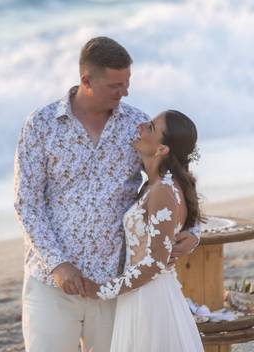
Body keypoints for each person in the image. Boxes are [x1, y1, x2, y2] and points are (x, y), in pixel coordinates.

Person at [14, 37, 200, 352]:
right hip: (51, 282)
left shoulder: (135, 126)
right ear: (87, 80)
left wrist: (194, 231)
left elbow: (174, 182)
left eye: (127, 82)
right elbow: (26, 205)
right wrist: (59, 265)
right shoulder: (41, 125)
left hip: (115, 283)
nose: (125, 92)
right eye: (116, 85)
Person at [81, 109, 205, 352]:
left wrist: (103, 290)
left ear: (162, 149)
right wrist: (194, 234)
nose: (140, 127)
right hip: (144, 293)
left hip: (148, 299)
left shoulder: (162, 191)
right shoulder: (159, 185)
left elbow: (155, 263)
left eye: (150, 127)